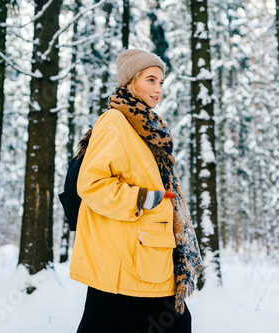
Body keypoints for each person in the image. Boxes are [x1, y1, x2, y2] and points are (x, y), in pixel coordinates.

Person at [70, 48, 204, 333]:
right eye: (151, 80)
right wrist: (144, 198)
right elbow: (91, 184)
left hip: (145, 253)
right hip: (127, 257)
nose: (158, 89)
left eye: (161, 82)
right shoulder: (116, 122)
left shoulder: (145, 127)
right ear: (130, 82)